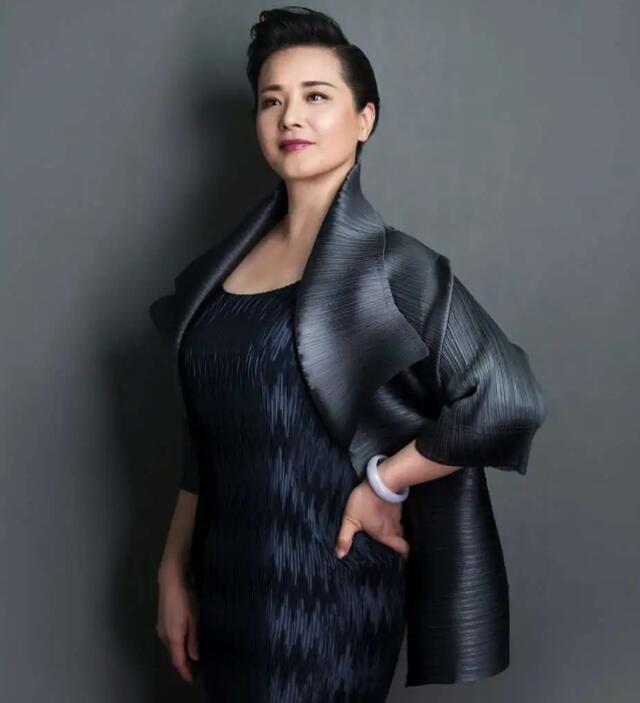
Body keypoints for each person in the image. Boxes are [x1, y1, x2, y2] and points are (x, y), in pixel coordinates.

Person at [152, 6, 546, 702]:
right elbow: (205, 434)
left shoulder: (394, 269)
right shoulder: (218, 272)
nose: (290, 117)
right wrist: (173, 569)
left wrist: (386, 483)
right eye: (272, 100)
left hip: (329, 590)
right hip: (230, 588)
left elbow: (508, 398)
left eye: (316, 96)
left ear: (364, 119)